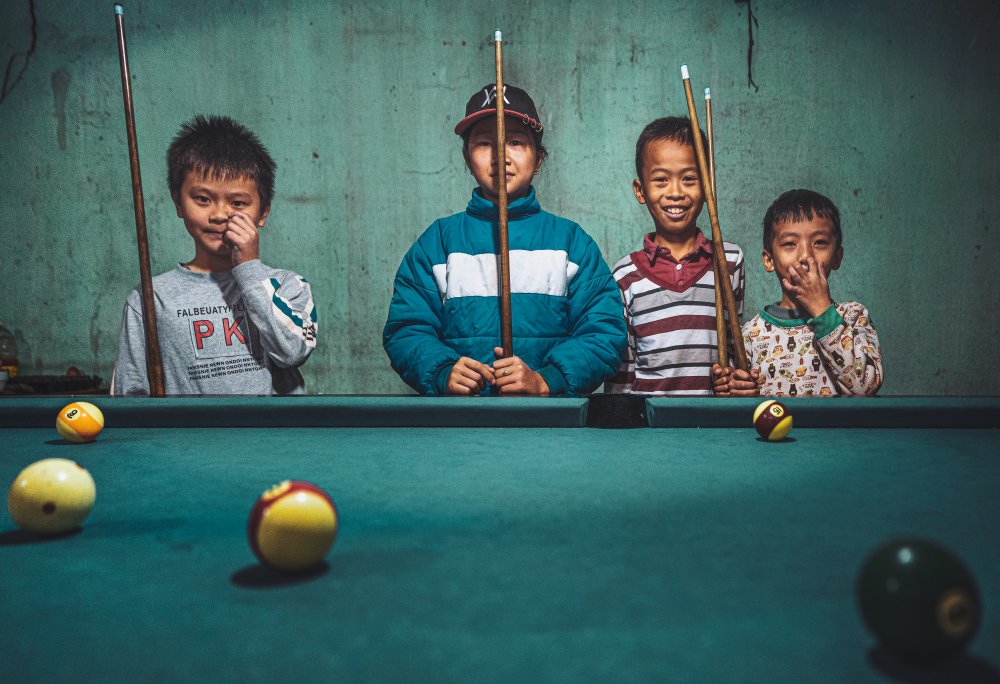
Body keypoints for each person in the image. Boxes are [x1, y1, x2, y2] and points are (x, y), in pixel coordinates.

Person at [383, 84, 626, 396]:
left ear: (538, 158)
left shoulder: (571, 243)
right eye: (485, 143)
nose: (500, 156)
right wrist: (443, 370)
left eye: (515, 142)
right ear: (466, 158)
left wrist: (547, 380)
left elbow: (603, 332)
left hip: (549, 428)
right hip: (461, 428)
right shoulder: (438, 243)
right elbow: (406, 330)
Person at [112, 115, 317, 395]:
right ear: (178, 203)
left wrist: (248, 267)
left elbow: (292, 352)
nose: (219, 215)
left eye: (238, 203)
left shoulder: (289, 286)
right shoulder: (149, 299)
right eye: (203, 199)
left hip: (274, 437)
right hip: (189, 439)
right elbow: (130, 394)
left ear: (263, 213)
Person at [605, 117, 744, 395]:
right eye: (661, 180)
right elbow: (624, 372)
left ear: (707, 187)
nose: (676, 192)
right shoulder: (624, 274)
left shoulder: (729, 260)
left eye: (690, 179)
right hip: (648, 429)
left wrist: (737, 381)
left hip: (713, 428)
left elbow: (735, 350)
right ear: (640, 191)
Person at [714, 189, 883, 397]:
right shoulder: (749, 336)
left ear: (837, 256)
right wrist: (737, 389)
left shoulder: (853, 317)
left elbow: (865, 387)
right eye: (789, 244)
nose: (805, 256)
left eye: (819, 242)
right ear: (769, 260)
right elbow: (737, 401)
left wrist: (822, 311)